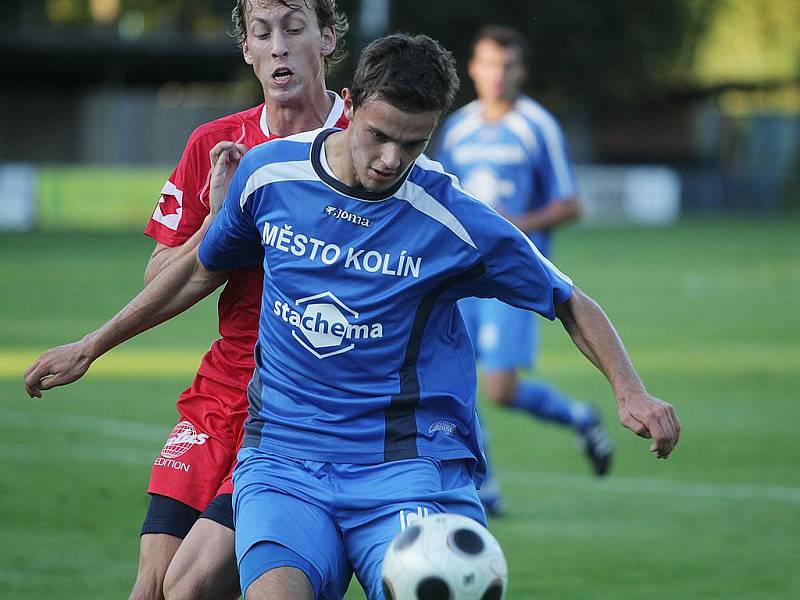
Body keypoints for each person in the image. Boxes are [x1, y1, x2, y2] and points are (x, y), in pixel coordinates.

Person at [26, 33, 681, 600]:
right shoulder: (268, 177)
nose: (392, 159)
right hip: (282, 457)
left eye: (413, 144)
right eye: (379, 135)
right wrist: (92, 344)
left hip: (403, 469)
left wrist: (631, 390)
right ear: (352, 107)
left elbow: (568, 297)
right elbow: (199, 270)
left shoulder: (451, 218)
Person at [29, 2, 348, 599]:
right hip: (221, 393)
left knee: (191, 587)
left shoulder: (365, 142)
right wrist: (221, 221)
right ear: (247, 51)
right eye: (262, 34)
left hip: (301, 406)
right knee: (151, 585)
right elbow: (164, 274)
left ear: (327, 38)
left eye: (294, 28)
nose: (278, 46)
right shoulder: (217, 143)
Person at [436, 25, 613, 515]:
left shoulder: (537, 125)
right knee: (451, 380)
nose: (498, 75)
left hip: (514, 278)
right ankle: (484, 486)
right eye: (490, 64)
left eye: (508, 65)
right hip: (460, 276)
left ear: (521, 71)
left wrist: (514, 226)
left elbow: (570, 204)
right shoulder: (459, 128)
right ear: (473, 68)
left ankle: (579, 417)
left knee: (500, 389)